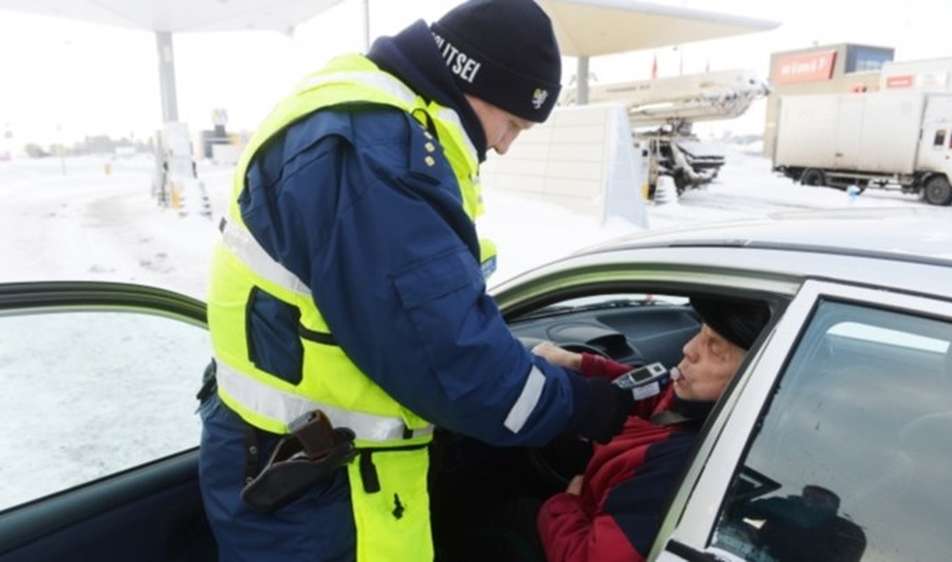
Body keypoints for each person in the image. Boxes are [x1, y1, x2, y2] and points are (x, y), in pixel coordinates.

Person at [197, 2, 635, 561]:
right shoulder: (377, 158)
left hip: (292, 468)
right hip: (313, 491)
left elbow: (399, 319)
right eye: (512, 123)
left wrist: (526, 362)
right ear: (473, 81)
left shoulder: (365, 120)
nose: (505, 145)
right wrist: (583, 405)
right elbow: (452, 364)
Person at [532, 296, 771, 562]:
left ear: (753, 380)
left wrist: (563, 507)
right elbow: (646, 393)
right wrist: (581, 363)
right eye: (700, 333)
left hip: (578, 522)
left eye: (715, 350)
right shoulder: (696, 401)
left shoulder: (671, 473)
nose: (688, 349)